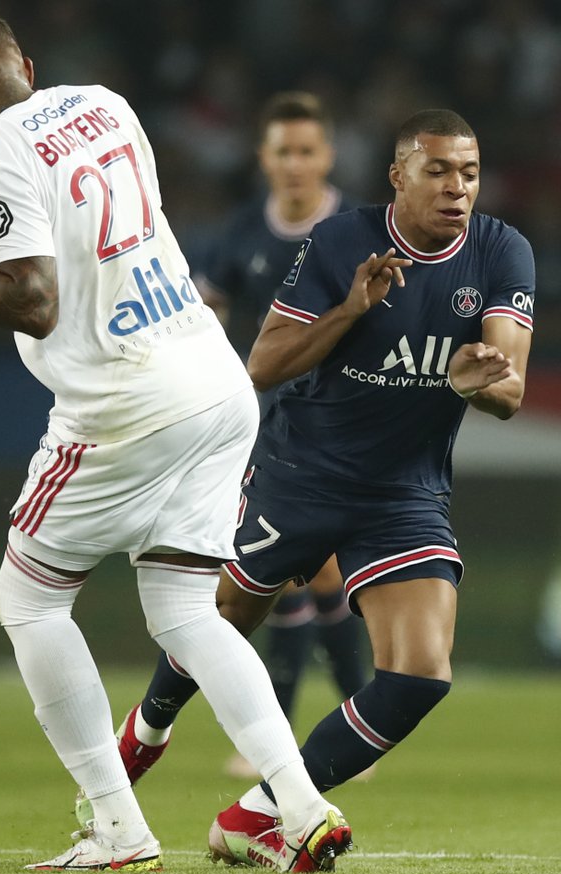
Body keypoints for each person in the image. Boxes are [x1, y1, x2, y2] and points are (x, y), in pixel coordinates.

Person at [0, 6, 350, 873]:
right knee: (185, 613)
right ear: (27, 60)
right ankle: (301, 801)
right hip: (215, 381)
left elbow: (33, 300)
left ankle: (119, 826)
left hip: (125, 404)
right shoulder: (108, 103)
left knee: (25, 600)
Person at [106, 107, 535, 868]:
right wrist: (350, 311)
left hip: (405, 491)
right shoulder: (342, 243)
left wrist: (477, 383)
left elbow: (509, 385)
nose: (457, 188)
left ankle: (263, 810)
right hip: (302, 471)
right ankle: (146, 728)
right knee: (224, 620)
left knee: (421, 674)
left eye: (468, 172)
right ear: (398, 174)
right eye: (437, 170)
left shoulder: (503, 251)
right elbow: (264, 363)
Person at [184, 90, 368, 779]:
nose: (295, 163)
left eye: (307, 151)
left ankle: (337, 726)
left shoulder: (354, 230)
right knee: (285, 575)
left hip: (335, 420)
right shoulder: (241, 234)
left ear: (328, 156)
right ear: (263, 158)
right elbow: (204, 313)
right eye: (282, 151)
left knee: (307, 569)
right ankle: (333, 729)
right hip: (258, 422)